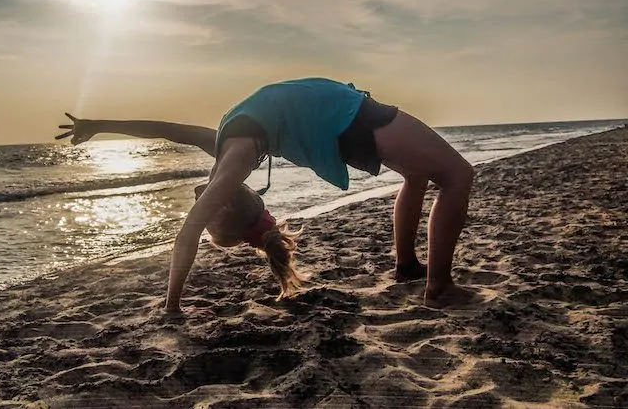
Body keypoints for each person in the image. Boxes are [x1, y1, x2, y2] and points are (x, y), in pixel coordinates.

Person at [55, 77, 475, 310]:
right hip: (348, 118)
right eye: (208, 211)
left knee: (417, 175)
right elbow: (186, 236)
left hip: (342, 116)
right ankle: (438, 288)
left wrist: (98, 123)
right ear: (223, 207)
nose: (198, 200)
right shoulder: (234, 162)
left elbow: (164, 129)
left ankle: (407, 266)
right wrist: (171, 306)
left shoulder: (223, 148)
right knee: (457, 176)